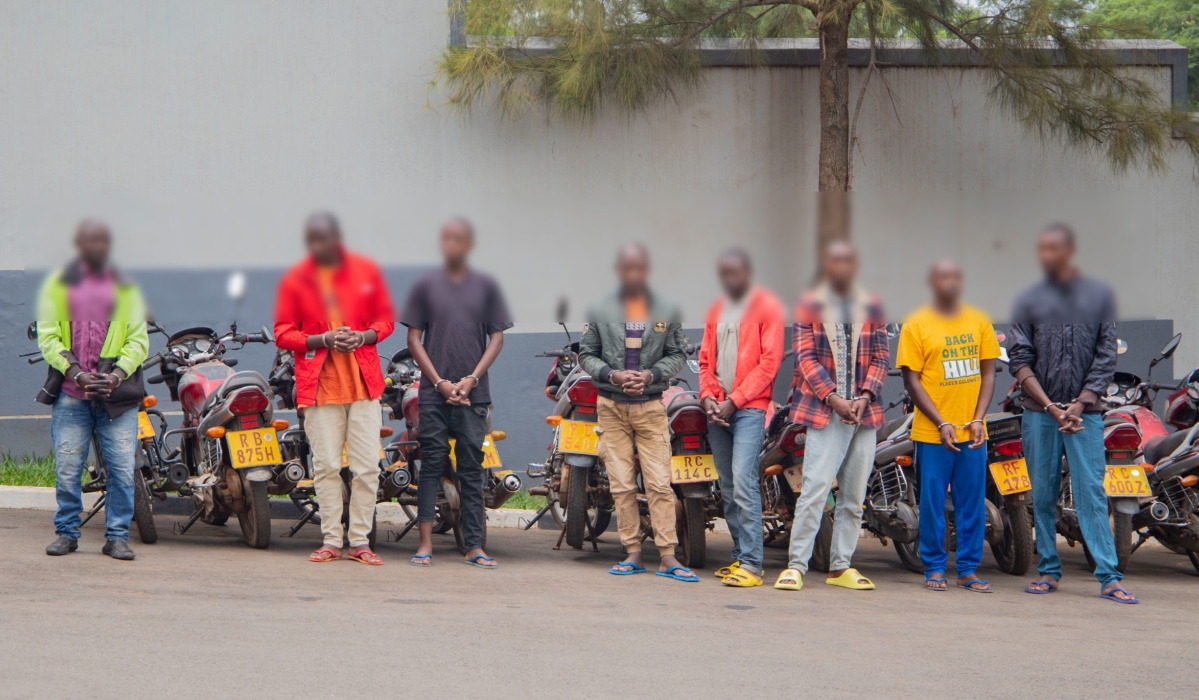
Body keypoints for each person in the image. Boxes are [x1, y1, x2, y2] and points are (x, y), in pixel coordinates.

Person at [1009, 224, 1137, 603]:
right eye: (1043, 249)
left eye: (1056, 249)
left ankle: (1109, 576)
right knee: (1044, 495)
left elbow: (1106, 356)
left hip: (1087, 416)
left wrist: (1080, 403)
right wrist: (1050, 407)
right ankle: (1048, 571)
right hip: (1040, 414)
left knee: (1092, 495)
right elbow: (1019, 359)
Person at [275, 212, 395, 565]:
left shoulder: (366, 272)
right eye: (313, 239)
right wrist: (323, 338)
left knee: (367, 468)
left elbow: (385, 320)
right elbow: (283, 332)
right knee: (326, 466)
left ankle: (359, 541)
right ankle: (331, 540)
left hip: (363, 388)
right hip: (319, 390)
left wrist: (361, 336)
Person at [775, 241, 889, 592]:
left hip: (864, 415)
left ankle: (841, 567)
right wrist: (835, 399)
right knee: (814, 491)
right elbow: (806, 359)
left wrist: (865, 396)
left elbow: (882, 357)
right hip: (826, 412)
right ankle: (797, 565)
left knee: (854, 497)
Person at [579, 243, 696, 582]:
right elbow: (587, 354)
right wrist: (612, 375)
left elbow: (676, 354)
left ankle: (667, 556)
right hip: (612, 408)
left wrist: (650, 375)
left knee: (660, 483)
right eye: (627, 269)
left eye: (639, 269)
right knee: (621, 485)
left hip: (650, 408)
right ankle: (632, 553)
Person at [402, 218, 512, 569]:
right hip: (434, 396)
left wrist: (471, 380)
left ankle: (474, 546)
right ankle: (424, 544)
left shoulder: (486, 288)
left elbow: (496, 338)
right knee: (431, 466)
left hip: (473, 397)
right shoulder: (425, 287)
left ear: (469, 245)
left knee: (471, 469)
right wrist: (439, 383)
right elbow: (413, 340)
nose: (453, 244)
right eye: (447, 238)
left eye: (459, 239)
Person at [37, 219, 149, 561]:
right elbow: (48, 336)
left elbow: (138, 341)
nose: (96, 246)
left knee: (121, 470)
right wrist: (76, 372)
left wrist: (115, 376)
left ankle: (116, 537)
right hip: (72, 394)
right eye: (90, 240)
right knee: (68, 469)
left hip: (117, 399)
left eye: (102, 240)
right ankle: (67, 533)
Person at [896, 260, 1000, 593]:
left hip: (972, 433)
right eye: (943, 276)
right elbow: (912, 381)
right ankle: (935, 568)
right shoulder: (916, 324)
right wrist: (941, 422)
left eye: (956, 276)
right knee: (932, 504)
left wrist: (978, 418)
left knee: (972, 504)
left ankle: (968, 569)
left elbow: (989, 372)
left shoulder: (979, 320)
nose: (950, 282)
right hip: (932, 433)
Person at [698, 249, 785, 588]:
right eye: (724, 273)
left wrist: (733, 402)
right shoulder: (716, 309)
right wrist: (707, 397)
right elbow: (705, 361)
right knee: (728, 485)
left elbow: (769, 363)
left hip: (749, 409)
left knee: (744, 481)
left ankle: (752, 563)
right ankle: (740, 557)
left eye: (735, 273)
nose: (729, 279)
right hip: (717, 410)